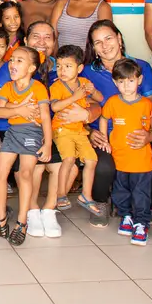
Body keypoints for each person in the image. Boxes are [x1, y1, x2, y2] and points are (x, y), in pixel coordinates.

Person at [82, 20, 152, 229]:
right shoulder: (87, 72)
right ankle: (101, 204)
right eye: (98, 42)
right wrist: (88, 131)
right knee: (104, 166)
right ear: (93, 48)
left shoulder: (140, 66)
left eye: (108, 38)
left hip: (137, 133)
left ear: (119, 38)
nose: (105, 45)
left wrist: (150, 135)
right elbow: (78, 107)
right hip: (104, 135)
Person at [0, 46, 53, 245]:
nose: (13, 64)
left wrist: (48, 144)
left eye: (19, 61)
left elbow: (45, 116)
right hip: (13, 133)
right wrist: (20, 110)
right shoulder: (7, 87)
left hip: (32, 133)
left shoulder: (38, 88)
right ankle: (1, 217)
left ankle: (22, 222)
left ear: (31, 68)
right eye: (12, 60)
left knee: (25, 174)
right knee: (0, 172)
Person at [100, 58, 152, 246]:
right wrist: (104, 139)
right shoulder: (113, 102)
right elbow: (103, 118)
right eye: (121, 81)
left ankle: (141, 223)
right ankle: (126, 216)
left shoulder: (147, 104)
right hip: (119, 157)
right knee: (120, 190)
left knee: (141, 193)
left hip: (141, 160)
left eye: (131, 80)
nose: (126, 86)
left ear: (139, 80)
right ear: (115, 82)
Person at [49, 45, 102, 215]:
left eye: (67, 66)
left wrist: (93, 91)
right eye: (59, 66)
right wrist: (75, 97)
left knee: (91, 160)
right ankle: (61, 194)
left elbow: (100, 99)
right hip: (62, 129)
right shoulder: (57, 86)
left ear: (79, 68)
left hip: (80, 130)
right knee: (69, 159)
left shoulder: (84, 83)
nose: (62, 70)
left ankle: (86, 195)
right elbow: (55, 106)